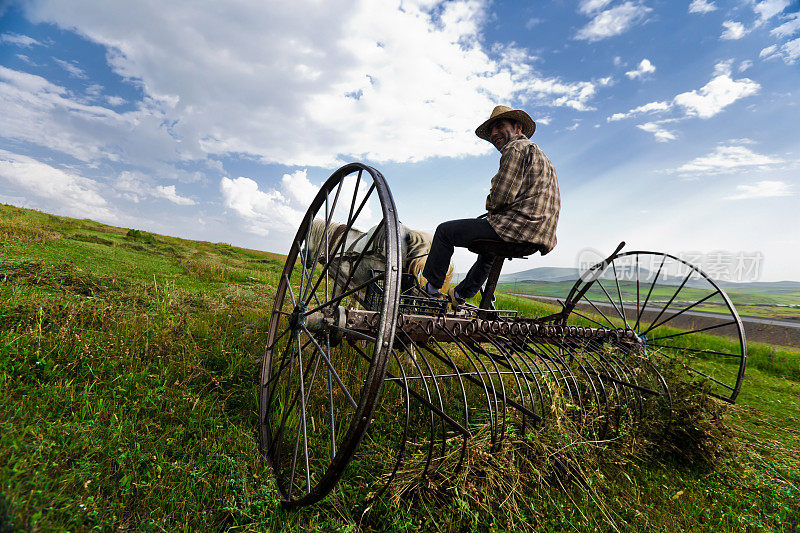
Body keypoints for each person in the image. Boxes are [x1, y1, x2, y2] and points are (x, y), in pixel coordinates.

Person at [421, 105, 560, 308]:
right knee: (490, 250)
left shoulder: (516, 148)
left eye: (500, 126)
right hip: (539, 234)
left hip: (517, 226)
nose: (494, 133)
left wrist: (491, 207)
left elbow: (501, 197)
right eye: (492, 130)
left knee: (444, 231)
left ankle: (431, 290)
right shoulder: (542, 158)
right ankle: (460, 294)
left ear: (518, 128)